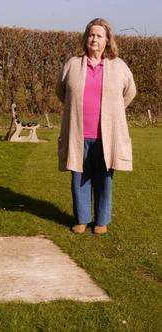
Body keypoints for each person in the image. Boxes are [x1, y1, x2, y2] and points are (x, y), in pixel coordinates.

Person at [56, 18, 136, 235]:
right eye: (91, 34)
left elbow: (129, 92)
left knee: (104, 180)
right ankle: (81, 219)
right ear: (86, 37)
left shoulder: (118, 66)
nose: (94, 39)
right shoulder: (72, 64)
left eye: (99, 35)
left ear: (107, 40)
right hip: (79, 133)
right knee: (79, 178)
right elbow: (61, 91)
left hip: (106, 136)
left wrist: (114, 109)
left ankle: (101, 221)